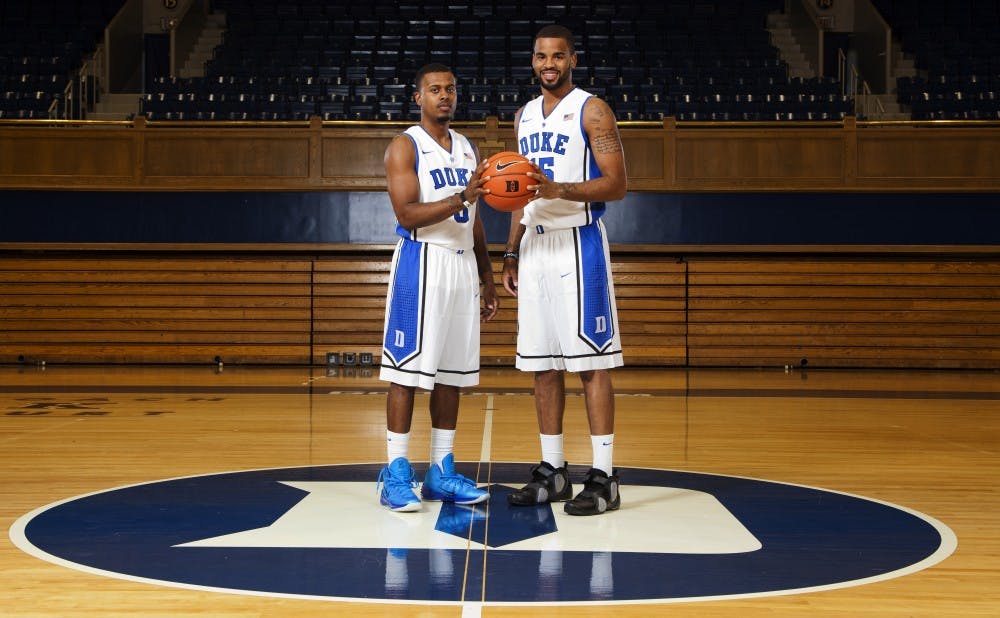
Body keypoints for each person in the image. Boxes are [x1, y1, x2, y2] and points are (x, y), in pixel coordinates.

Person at [501, 25, 627, 516]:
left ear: (572, 58)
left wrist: (561, 190)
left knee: (591, 364)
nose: (548, 64)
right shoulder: (524, 116)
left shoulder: (592, 109)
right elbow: (516, 195)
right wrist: (510, 251)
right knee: (542, 365)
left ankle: (604, 476)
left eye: (557, 56)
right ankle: (553, 472)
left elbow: (616, 185)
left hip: (579, 245)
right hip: (534, 249)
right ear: (532, 62)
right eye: (540, 57)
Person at [377, 63, 498, 512]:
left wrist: (487, 278)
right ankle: (395, 471)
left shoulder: (467, 147)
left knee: (451, 374)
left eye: (449, 88)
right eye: (434, 89)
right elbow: (407, 214)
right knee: (406, 372)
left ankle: (441, 472)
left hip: (463, 265)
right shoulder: (404, 147)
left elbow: (476, 220)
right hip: (421, 262)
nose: (444, 96)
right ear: (418, 97)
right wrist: (461, 197)